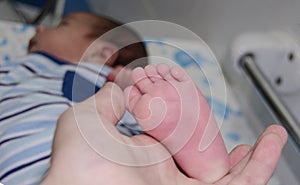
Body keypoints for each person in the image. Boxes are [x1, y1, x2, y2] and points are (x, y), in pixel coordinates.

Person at [40, 64, 288, 185]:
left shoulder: (68, 69)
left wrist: (122, 78)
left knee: (132, 128)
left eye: (64, 25)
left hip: (35, 159)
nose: (40, 30)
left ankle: (186, 148)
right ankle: (204, 166)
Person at [0, 11, 147, 184]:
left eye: (60, 25)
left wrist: (136, 87)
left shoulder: (115, 81)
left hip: (104, 162)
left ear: (102, 53)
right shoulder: (20, 69)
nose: (40, 29)